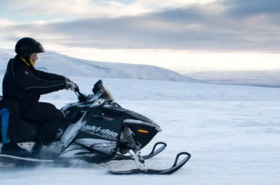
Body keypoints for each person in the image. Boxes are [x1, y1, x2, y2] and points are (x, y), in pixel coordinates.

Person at [1, 37, 77, 157]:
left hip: (24, 104)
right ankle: (40, 150)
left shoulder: (21, 65)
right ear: (26, 53)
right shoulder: (18, 68)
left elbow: (41, 75)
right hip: (23, 107)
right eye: (34, 54)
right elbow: (35, 85)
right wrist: (63, 85)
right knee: (55, 115)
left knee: (51, 108)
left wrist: (62, 79)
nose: (36, 58)